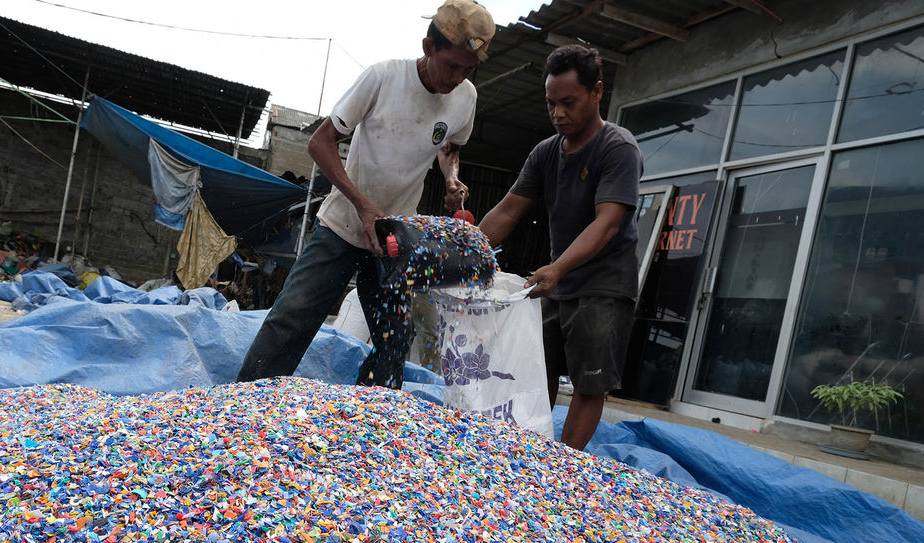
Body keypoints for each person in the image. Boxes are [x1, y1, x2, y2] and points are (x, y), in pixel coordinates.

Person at [236, 0, 495, 389]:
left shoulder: (466, 97)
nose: (458, 78)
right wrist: (363, 206)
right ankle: (245, 402)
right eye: (453, 67)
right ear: (429, 48)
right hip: (343, 225)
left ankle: (370, 414)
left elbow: (450, 146)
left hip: (395, 239)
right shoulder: (383, 78)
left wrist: (451, 179)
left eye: (468, 70)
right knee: (292, 318)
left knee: (394, 335)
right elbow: (321, 142)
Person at [477, 44, 643, 450]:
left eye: (568, 103)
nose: (558, 114)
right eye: (551, 104)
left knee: (589, 382)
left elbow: (607, 224)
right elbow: (509, 210)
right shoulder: (546, 152)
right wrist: (468, 249)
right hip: (559, 282)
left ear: (596, 92)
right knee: (538, 371)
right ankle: (537, 455)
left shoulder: (617, 148)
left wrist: (558, 268)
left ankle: (565, 467)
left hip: (603, 285)